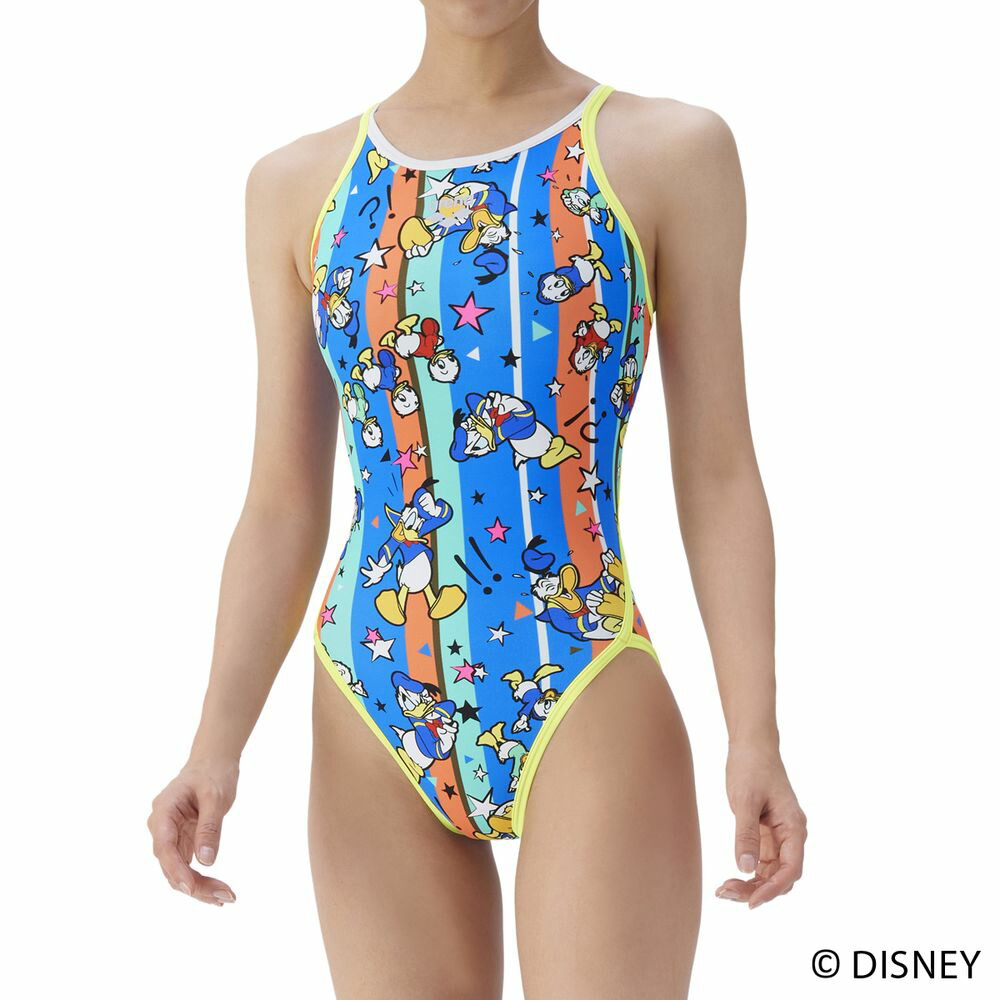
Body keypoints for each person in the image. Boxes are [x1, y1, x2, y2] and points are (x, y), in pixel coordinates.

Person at [147, 2, 807, 996]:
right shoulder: (299, 187)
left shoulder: (667, 152)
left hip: (580, 683)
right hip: (370, 700)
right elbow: (282, 500)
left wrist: (754, 732)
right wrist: (213, 745)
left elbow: (718, 472)